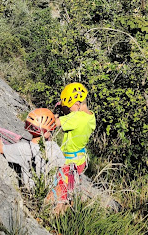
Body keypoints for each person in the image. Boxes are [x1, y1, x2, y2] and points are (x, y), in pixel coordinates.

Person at [0, 108, 65, 192]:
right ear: (46, 132)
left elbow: (0, 148)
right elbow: (62, 165)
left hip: (31, 192)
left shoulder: (22, 148)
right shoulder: (54, 147)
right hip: (51, 192)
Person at [53, 82, 96, 212]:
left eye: (68, 106)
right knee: (69, 192)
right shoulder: (90, 116)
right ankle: (65, 213)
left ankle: (55, 218)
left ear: (77, 104)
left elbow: (54, 123)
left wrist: (55, 114)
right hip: (80, 160)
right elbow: (76, 117)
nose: (67, 109)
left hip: (69, 162)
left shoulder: (75, 117)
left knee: (60, 194)